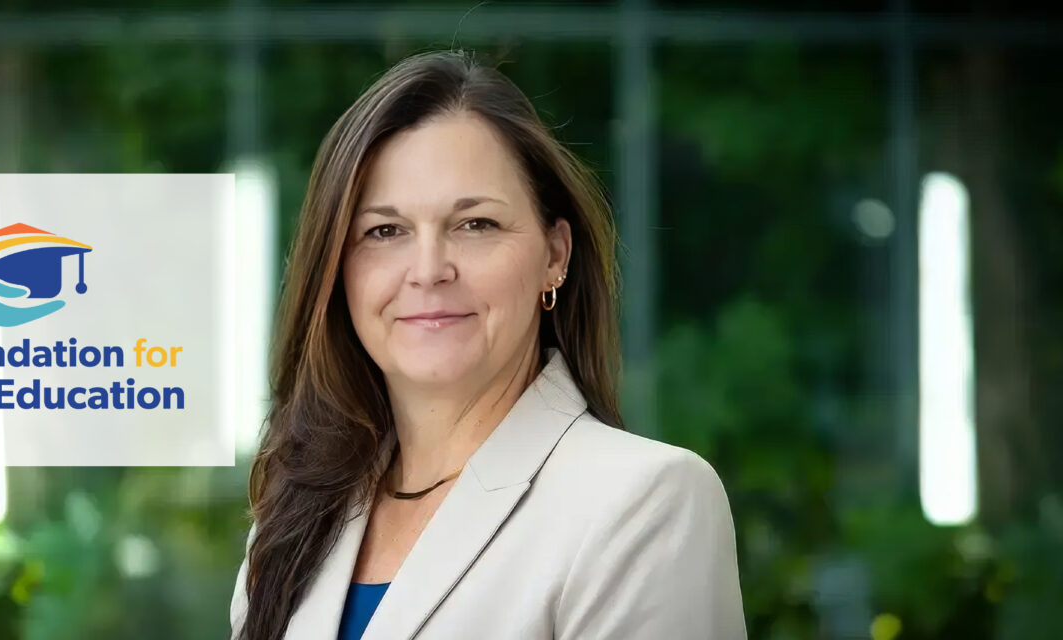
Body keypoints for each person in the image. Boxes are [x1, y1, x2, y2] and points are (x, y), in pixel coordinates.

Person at [230, 50, 745, 640]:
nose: (428, 270)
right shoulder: (293, 523)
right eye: (384, 231)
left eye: (476, 225)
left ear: (555, 255)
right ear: (337, 270)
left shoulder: (646, 501)